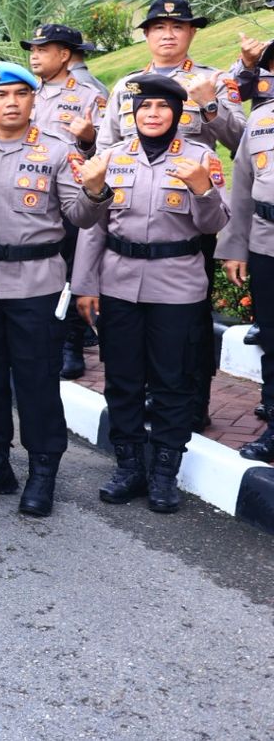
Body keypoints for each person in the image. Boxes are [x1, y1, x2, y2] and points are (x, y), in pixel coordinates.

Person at [0, 62, 101, 516]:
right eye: (0, 95)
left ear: (34, 100)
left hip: (36, 282)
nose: (11, 102)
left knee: (36, 382)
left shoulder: (57, 151)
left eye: (20, 94)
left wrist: (95, 192)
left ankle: (42, 471)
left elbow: (81, 217)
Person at [74, 73, 228, 512]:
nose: (153, 114)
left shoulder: (200, 158)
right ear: (132, 114)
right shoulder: (112, 157)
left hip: (177, 286)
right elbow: (91, 228)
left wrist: (201, 189)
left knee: (172, 381)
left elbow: (214, 225)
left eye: (162, 107)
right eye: (144, 108)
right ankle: (129, 467)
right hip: (119, 282)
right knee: (121, 379)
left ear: (177, 113)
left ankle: (164, 472)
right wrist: (86, 285)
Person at [97, 0, 243, 432]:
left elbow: (239, 139)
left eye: (178, 26)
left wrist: (210, 104)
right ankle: (144, 401)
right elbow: (107, 145)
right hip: (132, 206)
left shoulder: (211, 81)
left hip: (190, 212)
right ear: (145, 35)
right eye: (158, 26)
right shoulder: (126, 86)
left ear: (192, 33)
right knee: (136, 326)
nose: (168, 33)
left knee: (188, 324)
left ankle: (191, 402)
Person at [21, 23, 107, 379]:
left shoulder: (89, 95)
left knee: (71, 271)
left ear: (65, 55)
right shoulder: (25, 92)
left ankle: (71, 343)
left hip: (71, 197)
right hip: (28, 196)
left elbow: (108, 151)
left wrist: (89, 139)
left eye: (43, 49)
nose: (35, 55)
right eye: (33, 49)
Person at [217, 45, 274, 461]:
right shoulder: (259, 120)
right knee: (273, 339)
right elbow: (240, 191)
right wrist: (235, 248)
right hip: (266, 243)